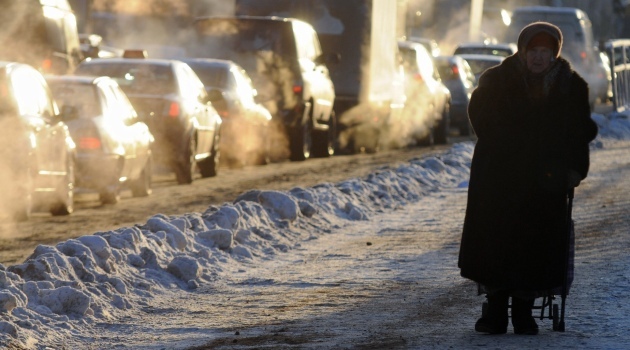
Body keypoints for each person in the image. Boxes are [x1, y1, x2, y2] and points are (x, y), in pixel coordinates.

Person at [458, 21, 598, 335]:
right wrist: (508, 142)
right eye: (532, 51)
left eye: (544, 52)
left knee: (534, 243)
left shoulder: (569, 86)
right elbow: (480, 117)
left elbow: (578, 132)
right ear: (522, 52)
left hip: (544, 181)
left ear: (554, 54)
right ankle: (495, 312)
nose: (537, 57)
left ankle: (523, 312)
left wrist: (574, 168)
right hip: (499, 177)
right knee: (497, 242)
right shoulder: (495, 81)